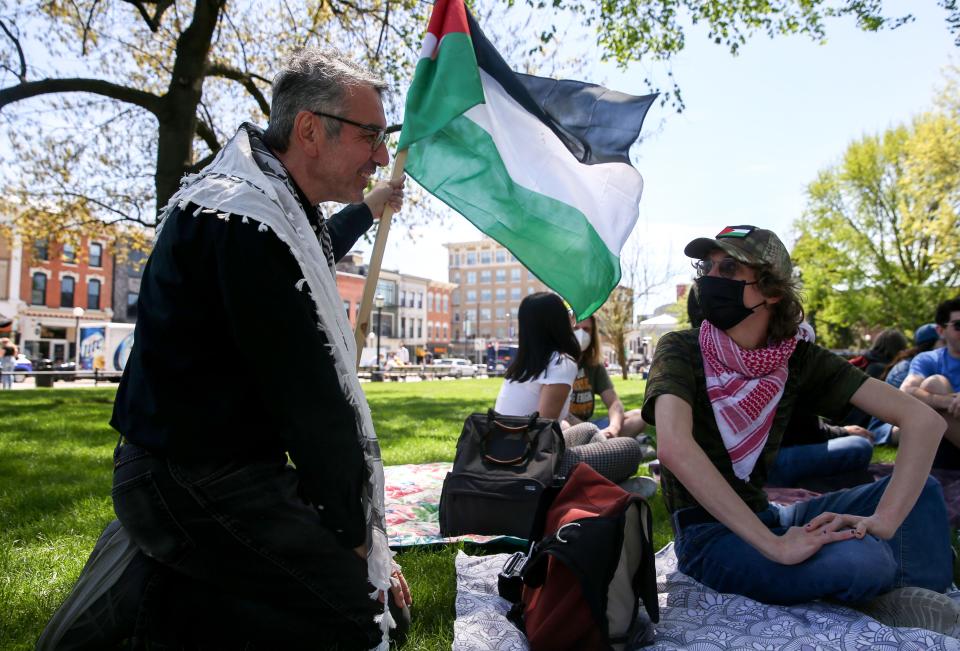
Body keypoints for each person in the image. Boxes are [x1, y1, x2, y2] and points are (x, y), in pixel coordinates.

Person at [41, 48, 409, 650]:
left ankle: (168, 572)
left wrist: (369, 207)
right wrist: (358, 545)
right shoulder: (245, 222)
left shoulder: (259, 200)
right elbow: (314, 407)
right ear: (311, 130)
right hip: (188, 478)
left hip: (217, 466)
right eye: (371, 135)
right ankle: (150, 604)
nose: (381, 154)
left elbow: (315, 248)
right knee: (365, 618)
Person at [642, 225, 956, 634]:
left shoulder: (796, 357)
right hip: (708, 538)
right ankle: (895, 586)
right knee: (865, 559)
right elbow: (673, 448)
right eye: (708, 267)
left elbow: (924, 421)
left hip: (768, 514)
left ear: (772, 291)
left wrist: (885, 521)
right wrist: (775, 546)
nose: (710, 279)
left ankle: (914, 600)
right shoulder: (680, 348)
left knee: (922, 493)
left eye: (730, 268)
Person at [686, 288, 874, 489]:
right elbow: (803, 430)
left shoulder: (687, 353)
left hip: (709, 471)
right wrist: (842, 432)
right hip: (759, 469)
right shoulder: (776, 357)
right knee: (859, 447)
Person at [495, 292, 644, 484]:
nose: (572, 317)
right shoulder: (560, 362)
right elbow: (542, 430)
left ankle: (601, 480)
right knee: (630, 450)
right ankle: (601, 489)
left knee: (589, 430)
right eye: (566, 311)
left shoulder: (522, 366)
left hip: (504, 454)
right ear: (556, 321)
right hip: (528, 467)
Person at [564, 314, 656, 461]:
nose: (581, 333)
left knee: (638, 416)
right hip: (570, 429)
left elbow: (614, 403)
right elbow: (560, 414)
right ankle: (606, 449)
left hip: (594, 428)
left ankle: (598, 449)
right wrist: (590, 432)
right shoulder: (557, 363)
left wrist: (613, 428)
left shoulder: (594, 366)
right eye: (575, 328)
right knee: (562, 426)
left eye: (586, 329)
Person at [899, 297, 960, 469]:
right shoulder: (929, 359)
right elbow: (906, 392)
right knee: (934, 384)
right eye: (958, 325)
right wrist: (949, 401)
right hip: (946, 441)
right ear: (941, 330)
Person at [866, 323, 942, 445]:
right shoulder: (909, 368)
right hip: (887, 428)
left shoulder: (937, 363)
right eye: (943, 342)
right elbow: (909, 406)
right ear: (931, 344)